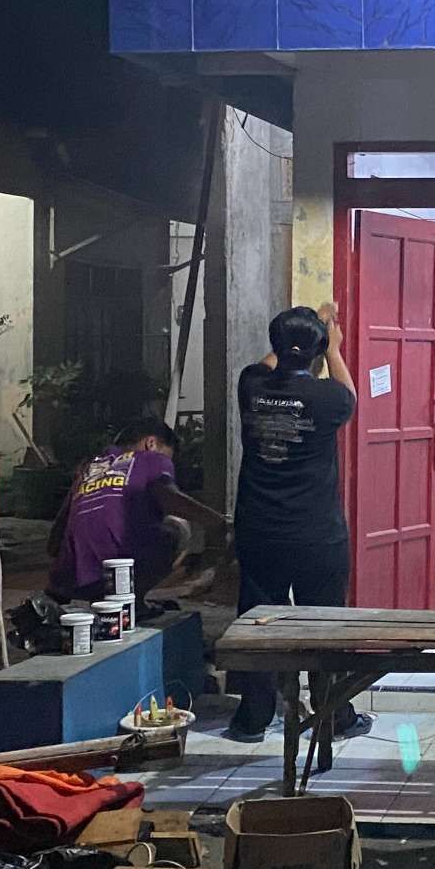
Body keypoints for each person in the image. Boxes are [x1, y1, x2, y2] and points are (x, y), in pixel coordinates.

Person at [221, 304, 368, 743]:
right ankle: (332, 715)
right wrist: (333, 345)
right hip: (316, 535)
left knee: (257, 623)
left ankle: (253, 718)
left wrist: (307, 334)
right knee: (323, 624)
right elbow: (350, 394)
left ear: (276, 345)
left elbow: (271, 363)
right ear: (317, 350)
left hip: (259, 530)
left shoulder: (251, 384)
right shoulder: (328, 399)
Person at [42, 417, 229, 604]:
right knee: (178, 525)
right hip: (116, 579)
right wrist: (219, 522)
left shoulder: (90, 467)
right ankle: (133, 603)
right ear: (151, 443)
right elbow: (170, 498)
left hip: (68, 584)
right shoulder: (151, 458)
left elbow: (54, 541)